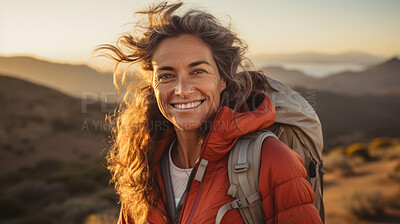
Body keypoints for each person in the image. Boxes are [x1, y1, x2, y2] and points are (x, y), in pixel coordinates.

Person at [97, 1, 322, 223]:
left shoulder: (271, 158)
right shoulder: (144, 165)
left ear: (223, 79)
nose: (182, 90)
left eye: (198, 71)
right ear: (153, 85)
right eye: (166, 75)